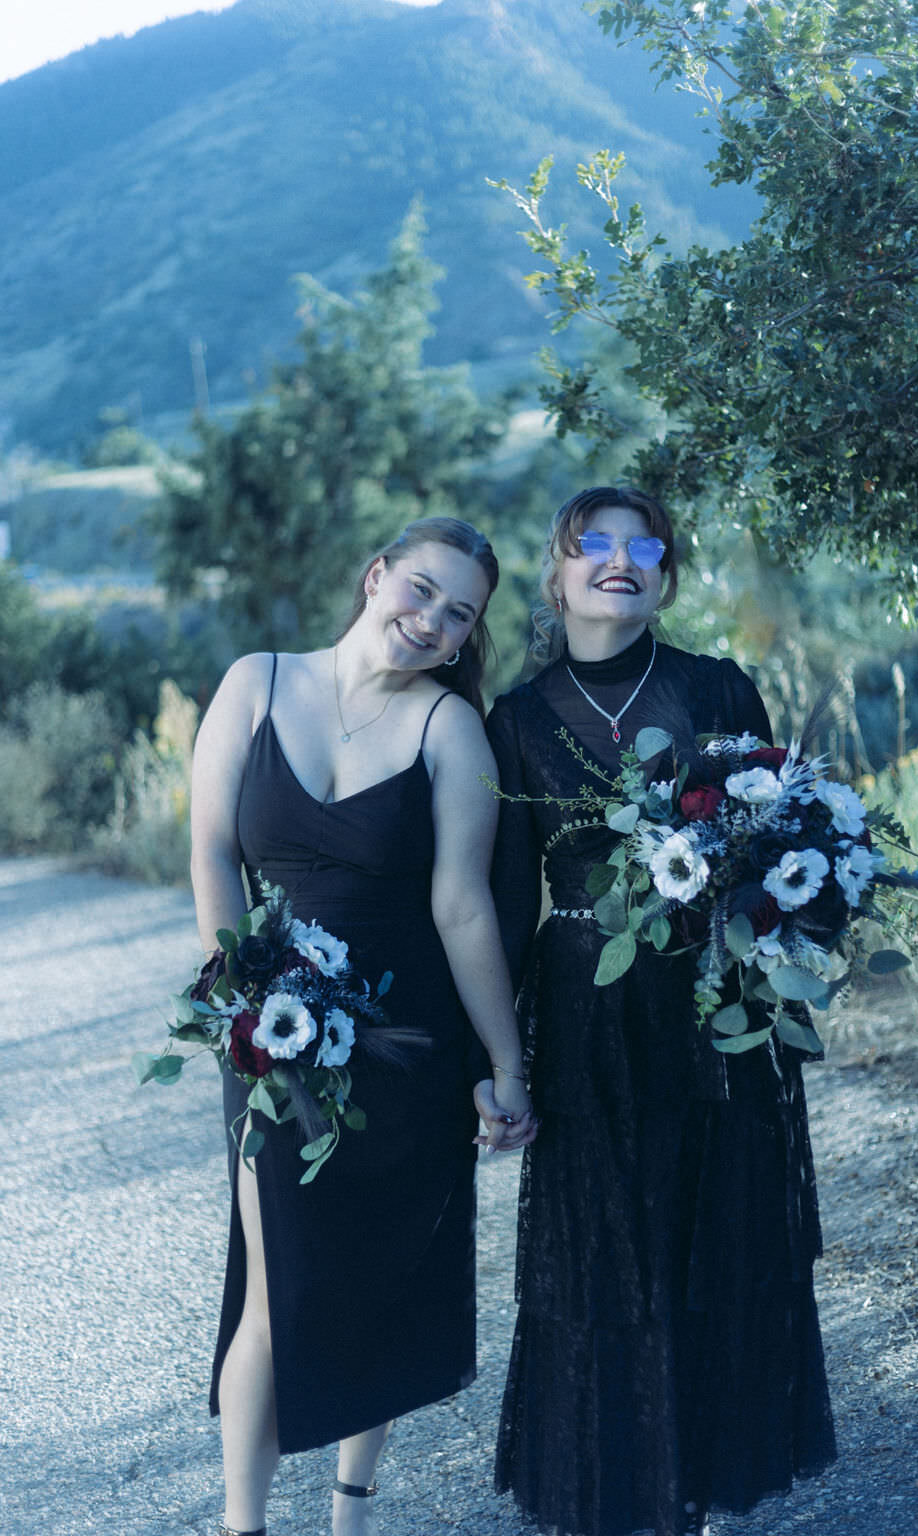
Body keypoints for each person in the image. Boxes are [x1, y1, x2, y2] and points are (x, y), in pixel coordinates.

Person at [486, 488, 836, 1536]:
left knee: (711, 1239)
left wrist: (791, 935)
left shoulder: (715, 685)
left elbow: (790, 844)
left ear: (665, 575)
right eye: (592, 544)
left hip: (716, 1010)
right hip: (590, 1028)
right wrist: (497, 1063)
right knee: (607, 1258)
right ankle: (618, 1494)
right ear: (557, 573)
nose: (619, 561)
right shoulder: (513, 720)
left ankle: (691, 1499)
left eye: (644, 547)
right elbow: (504, 909)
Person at [189, 517, 536, 1536]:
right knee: (274, 1276)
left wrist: (504, 1065)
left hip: (400, 1043)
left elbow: (462, 908)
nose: (429, 621)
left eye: (457, 615)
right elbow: (212, 853)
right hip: (268, 1032)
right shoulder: (255, 683)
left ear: (467, 636)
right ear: (377, 575)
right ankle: (241, 1525)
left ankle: (349, 1513)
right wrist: (246, 991)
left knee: (379, 1272)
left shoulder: (446, 729)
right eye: (419, 591)